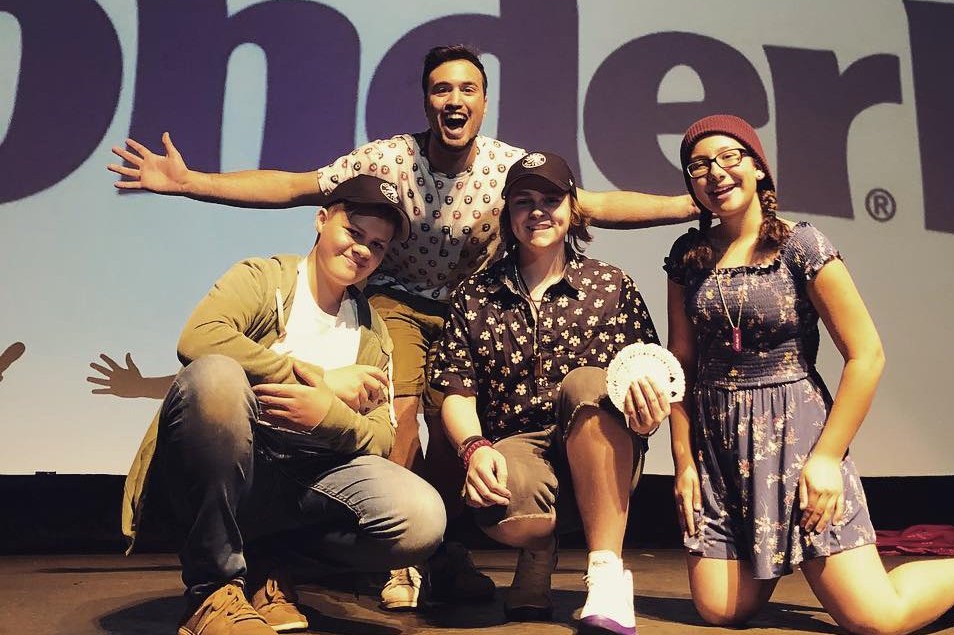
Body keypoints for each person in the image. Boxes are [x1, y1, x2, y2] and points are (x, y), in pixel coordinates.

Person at [109, 44, 696, 610]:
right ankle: (399, 560)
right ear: (427, 102)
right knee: (404, 413)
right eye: (442, 89)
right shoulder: (389, 160)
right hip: (401, 303)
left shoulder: (504, 168)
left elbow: (593, 205)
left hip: (476, 304)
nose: (454, 98)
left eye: (468, 88)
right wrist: (191, 184)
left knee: (468, 431)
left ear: (484, 103)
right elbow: (294, 185)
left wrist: (691, 205)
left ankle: (442, 548)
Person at [664, 114, 954, 633]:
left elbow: (867, 354)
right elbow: (681, 365)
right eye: (699, 165)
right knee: (721, 611)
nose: (715, 172)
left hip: (795, 439)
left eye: (729, 157)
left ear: (758, 169)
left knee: (877, 620)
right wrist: (684, 462)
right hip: (720, 446)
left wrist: (825, 457)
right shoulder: (689, 258)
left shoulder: (801, 245)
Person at [121, 174, 446, 635]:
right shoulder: (265, 278)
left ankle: (270, 567)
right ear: (321, 220)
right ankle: (212, 593)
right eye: (354, 233)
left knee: (421, 517)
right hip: (233, 464)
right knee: (216, 378)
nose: (362, 250)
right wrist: (323, 381)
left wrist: (326, 414)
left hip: (306, 481)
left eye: (377, 245)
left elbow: (381, 435)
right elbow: (199, 338)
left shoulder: (374, 331)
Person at [428, 151, 672, 634]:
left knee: (587, 381)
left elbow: (649, 372)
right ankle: (539, 548)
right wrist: (474, 449)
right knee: (500, 508)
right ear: (507, 214)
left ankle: (605, 575)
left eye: (551, 198)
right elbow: (455, 386)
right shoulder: (475, 294)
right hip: (519, 450)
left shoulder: (611, 284)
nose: (538, 211)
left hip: (602, 445)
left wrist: (649, 415)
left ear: (572, 208)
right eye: (523, 201)